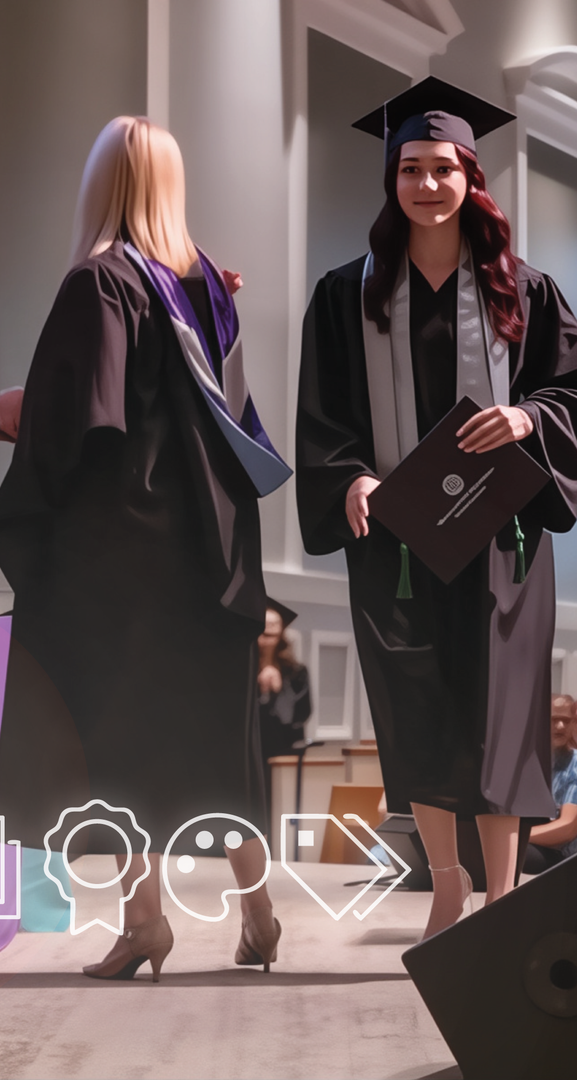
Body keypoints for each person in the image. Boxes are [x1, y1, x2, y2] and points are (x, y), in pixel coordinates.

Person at [0, 116, 290, 979]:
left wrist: (20, 409)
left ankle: (145, 922)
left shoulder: (101, 281)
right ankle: (259, 914)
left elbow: (89, 421)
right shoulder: (209, 288)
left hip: (122, 562)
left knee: (108, 738)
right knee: (216, 743)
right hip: (213, 555)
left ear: (100, 184)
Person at [296, 78, 577, 939]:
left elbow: (571, 392)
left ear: (470, 177)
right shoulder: (345, 296)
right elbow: (324, 416)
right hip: (396, 539)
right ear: (391, 179)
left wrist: (529, 418)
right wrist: (349, 478)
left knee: (500, 718)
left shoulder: (524, 291)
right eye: (409, 168)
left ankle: (502, 898)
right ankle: (448, 888)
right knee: (417, 709)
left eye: (442, 168)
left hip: (503, 540)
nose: (426, 184)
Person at [257, 603, 312, 825]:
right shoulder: (243, 668)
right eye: (264, 628)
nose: (269, 632)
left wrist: (280, 689)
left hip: (283, 748)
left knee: (282, 809)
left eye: (274, 625)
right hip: (254, 750)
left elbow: (301, 713)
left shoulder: (295, 672)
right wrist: (260, 689)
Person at [524, 694, 577, 873]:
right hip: (541, 841)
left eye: (566, 721)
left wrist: (515, 837)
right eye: (554, 719)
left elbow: (568, 828)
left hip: (565, 855)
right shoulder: (530, 761)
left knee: (511, 851)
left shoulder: (574, 765)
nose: (560, 726)